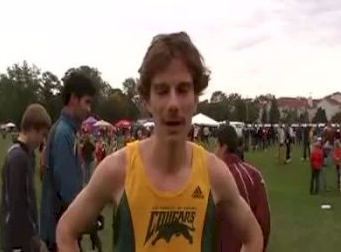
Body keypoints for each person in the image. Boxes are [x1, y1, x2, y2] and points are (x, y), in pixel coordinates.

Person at [56, 32, 263, 251]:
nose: (173, 104)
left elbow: (253, 236)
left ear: (195, 99)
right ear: (147, 100)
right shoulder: (118, 170)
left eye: (183, 90)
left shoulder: (214, 173)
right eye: (162, 91)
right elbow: (66, 230)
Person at [40, 70, 97, 251]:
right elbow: (69, 192)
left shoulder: (66, 130)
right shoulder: (64, 133)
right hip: (61, 231)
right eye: (87, 102)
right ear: (73, 98)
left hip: (60, 227)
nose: (89, 109)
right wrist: (88, 216)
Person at [0, 104, 51, 251]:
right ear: (33, 129)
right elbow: (18, 206)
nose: (42, 140)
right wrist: (31, 240)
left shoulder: (25, 155)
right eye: (42, 134)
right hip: (18, 242)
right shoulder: (18, 158)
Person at [215, 125, 270, 251]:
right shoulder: (254, 175)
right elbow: (264, 222)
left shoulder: (214, 176)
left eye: (216, 146)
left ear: (223, 147)